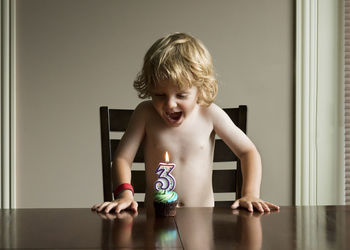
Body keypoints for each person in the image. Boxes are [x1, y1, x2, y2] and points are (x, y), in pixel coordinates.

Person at [92, 32, 280, 215]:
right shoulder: (145, 113)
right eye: (159, 95)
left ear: (200, 89)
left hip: (202, 221)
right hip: (156, 219)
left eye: (181, 95)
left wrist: (250, 194)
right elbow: (122, 159)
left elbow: (248, 152)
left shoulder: (210, 113)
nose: (170, 104)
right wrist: (125, 195)